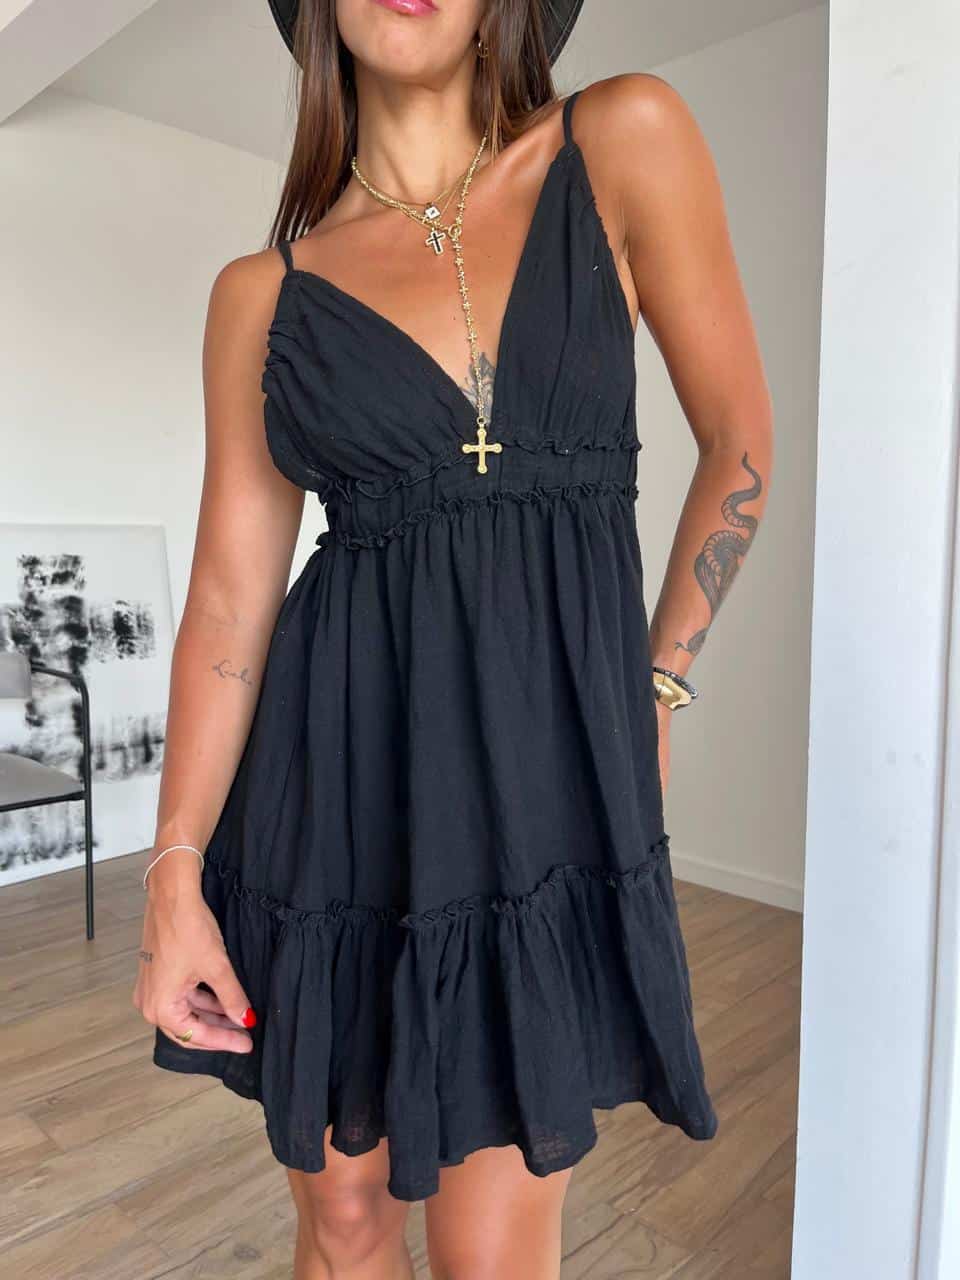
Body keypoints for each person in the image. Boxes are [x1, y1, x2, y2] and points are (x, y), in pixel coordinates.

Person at [133, 0, 773, 1276]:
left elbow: (739, 445)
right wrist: (172, 868)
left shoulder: (621, 141)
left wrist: (657, 685)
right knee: (345, 1215)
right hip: (334, 797)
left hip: (540, 803)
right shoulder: (263, 294)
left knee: (496, 1240)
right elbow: (227, 604)